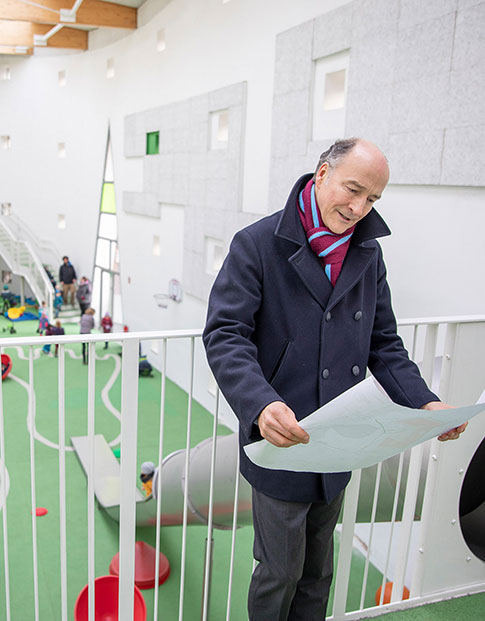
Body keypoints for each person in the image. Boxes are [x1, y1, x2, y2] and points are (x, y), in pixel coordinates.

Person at [202, 138, 467, 621]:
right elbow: (225, 334)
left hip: (339, 443)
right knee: (279, 571)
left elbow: (384, 345)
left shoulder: (368, 254)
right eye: (353, 189)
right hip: (281, 439)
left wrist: (425, 405)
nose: (359, 207)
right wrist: (260, 404)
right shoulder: (256, 244)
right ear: (321, 173)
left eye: (373, 199)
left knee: (318, 571)